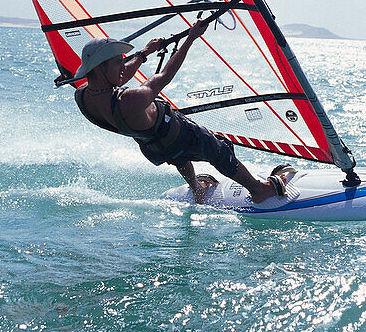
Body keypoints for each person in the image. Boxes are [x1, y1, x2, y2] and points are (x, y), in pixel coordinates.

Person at [72, 20, 286, 204]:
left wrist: (145, 53)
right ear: (100, 69)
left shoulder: (83, 97)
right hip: (180, 133)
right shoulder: (132, 99)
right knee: (219, 149)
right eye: (118, 62)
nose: (123, 66)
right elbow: (165, 74)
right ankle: (258, 190)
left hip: (152, 147)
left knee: (177, 157)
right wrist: (191, 38)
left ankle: (196, 188)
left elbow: (119, 77)